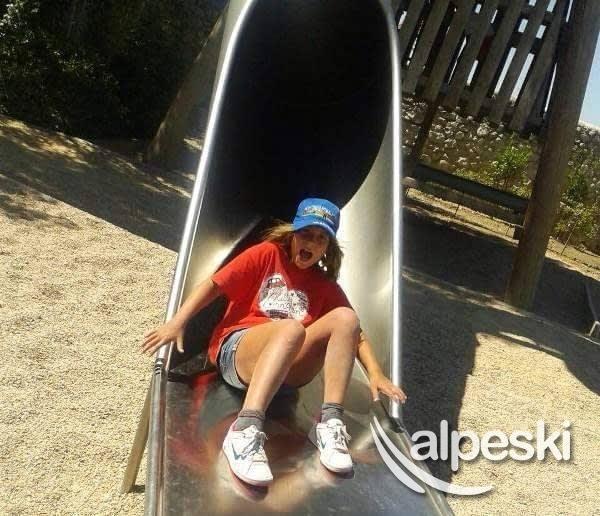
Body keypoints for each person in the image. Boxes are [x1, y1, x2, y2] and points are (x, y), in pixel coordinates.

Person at [142, 198, 407, 486]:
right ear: (293, 234)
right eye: (306, 234)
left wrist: (375, 373)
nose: (311, 243)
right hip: (240, 351)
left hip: (286, 370)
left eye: (321, 239)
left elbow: (357, 333)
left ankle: (330, 425)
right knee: (291, 329)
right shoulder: (267, 254)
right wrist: (177, 321)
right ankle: (243, 431)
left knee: (345, 317)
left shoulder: (324, 285)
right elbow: (214, 285)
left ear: (327, 248)